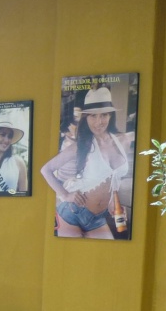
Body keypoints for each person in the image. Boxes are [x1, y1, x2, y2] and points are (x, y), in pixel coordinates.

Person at [40, 86, 132, 239]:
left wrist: (113, 203)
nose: (98, 122)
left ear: (110, 115)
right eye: (92, 116)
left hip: (98, 218)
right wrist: (65, 195)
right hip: (72, 212)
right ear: (86, 118)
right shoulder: (82, 145)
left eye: (104, 115)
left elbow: (113, 180)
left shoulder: (122, 141)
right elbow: (46, 170)